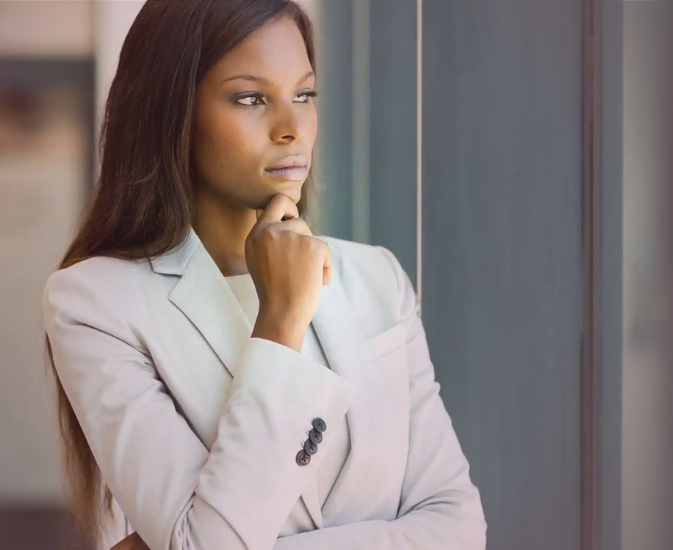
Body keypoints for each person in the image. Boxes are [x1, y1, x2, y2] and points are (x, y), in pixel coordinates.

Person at [42, 1, 486, 549]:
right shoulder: (95, 303)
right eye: (251, 98)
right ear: (171, 111)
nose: (291, 127)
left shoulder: (377, 278)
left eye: (304, 94)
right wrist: (280, 319)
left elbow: (458, 527)